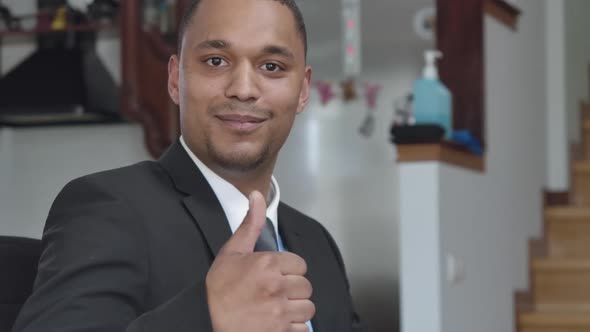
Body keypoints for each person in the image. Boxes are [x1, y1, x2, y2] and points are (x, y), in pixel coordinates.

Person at [12, 0, 365, 331]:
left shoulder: (316, 241)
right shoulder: (106, 208)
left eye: (271, 67)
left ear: (302, 90)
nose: (243, 89)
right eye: (216, 61)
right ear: (176, 79)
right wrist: (207, 314)